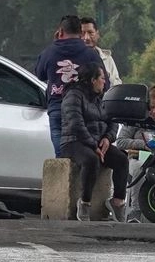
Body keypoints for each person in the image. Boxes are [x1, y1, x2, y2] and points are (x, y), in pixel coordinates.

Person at [59, 63, 128, 222]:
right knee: (91, 159)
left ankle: (117, 202)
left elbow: (113, 121)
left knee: (121, 159)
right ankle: (84, 202)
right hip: (73, 141)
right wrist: (93, 145)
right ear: (92, 80)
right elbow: (76, 125)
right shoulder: (73, 96)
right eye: (102, 78)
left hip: (97, 142)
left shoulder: (102, 98)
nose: (105, 82)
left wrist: (107, 139)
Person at [35, 14, 104, 156]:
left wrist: (55, 43)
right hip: (83, 112)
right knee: (84, 155)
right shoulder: (90, 54)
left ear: (60, 32)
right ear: (81, 33)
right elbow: (105, 84)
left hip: (57, 108)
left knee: (62, 156)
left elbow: (39, 74)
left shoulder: (49, 52)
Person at [114, 84, 155, 223]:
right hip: (139, 156)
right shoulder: (136, 118)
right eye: (151, 108)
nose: (154, 112)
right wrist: (144, 144)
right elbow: (121, 142)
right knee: (140, 168)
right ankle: (135, 211)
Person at [80, 16, 120, 85]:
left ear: (97, 34)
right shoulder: (71, 59)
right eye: (82, 33)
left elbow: (116, 85)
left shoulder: (107, 59)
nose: (86, 38)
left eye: (90, 33)